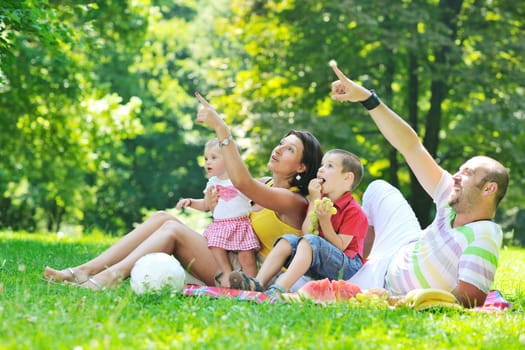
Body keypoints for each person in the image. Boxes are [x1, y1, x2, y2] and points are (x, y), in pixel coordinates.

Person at [43, 93, 323, 290]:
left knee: (172, 231)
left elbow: (242, 183)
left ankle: (107, 279)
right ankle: (84, 271)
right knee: (162, 218)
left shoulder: (294, 200)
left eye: (289, 149)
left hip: (251, 275)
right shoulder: (268, 183)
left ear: (301, 166)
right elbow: (233, 190)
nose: (278, 148)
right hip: (228, 254)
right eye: (281, 143)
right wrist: (214, 203)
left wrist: (222, 129)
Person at [330, 62, 509, 308]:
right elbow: (411, 146)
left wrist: (396, 300)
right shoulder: (451, 197)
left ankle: (356, 272)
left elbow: (469, 299)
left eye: (467, 173)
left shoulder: (484, 235)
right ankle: (357, 260)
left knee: (304, 284)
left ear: (489, 189)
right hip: (402, 246)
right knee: (377, 188)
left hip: (383, 282)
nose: (456, 175)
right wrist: (366, 98)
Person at [228, 149, 369, 296]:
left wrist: (325, 222)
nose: (321, 169)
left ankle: (279, 289)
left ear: (347, 178)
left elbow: (340, 247)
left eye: (330, 166)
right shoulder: (319, 199)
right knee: (287, 240)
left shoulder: (355, 212)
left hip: (346, 267)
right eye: (322, 165)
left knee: (311, 241)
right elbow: (307, 231)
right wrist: (314, 199)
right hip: (318, 261)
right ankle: (257, 283)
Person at [175, 138, 260, 288]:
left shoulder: (239, 180)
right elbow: (206, 204)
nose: (208, 162)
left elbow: (255, 198)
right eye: (206, 158)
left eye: (214, 158)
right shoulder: (213, 182)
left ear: (229, 160)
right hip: (220, 225)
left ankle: (253, 283)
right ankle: (226, 273)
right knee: (215, 246)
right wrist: (190, 202)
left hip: (240, 225)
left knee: (247, 257)